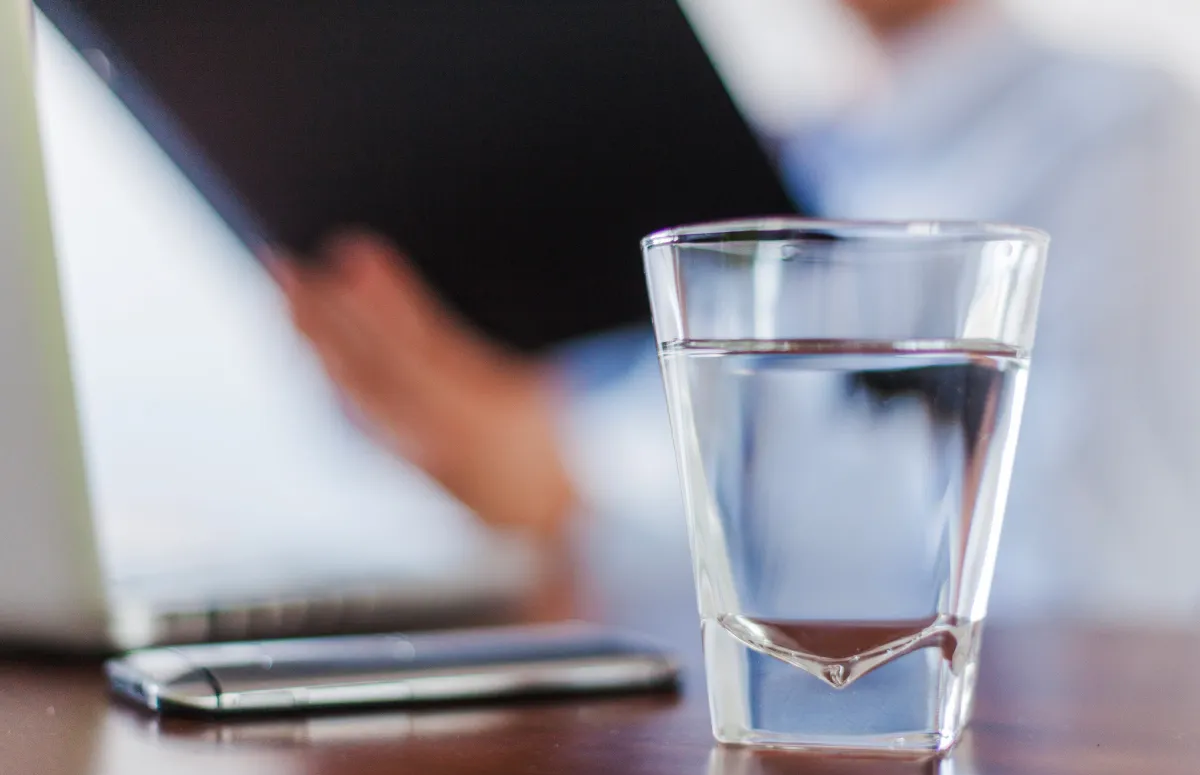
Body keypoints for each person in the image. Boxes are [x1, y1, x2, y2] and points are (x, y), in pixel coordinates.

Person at [274, 0, 1200, 620]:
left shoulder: (1132, 143)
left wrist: (567, 506)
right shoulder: (766, 160)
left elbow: (1106, 590)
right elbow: (572, 414)